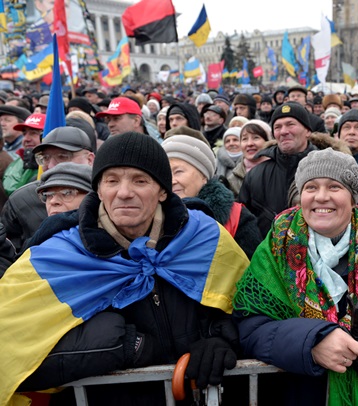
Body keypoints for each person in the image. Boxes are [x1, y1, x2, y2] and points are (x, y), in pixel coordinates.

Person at [1, 132, 249, 405]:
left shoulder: (206, 237)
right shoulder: (56, 254)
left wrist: (222, 340)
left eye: (140, 180)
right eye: (112, 181)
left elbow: (252, 310)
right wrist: (127, 345)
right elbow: (10, 349)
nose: (124, 192)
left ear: (163, 190)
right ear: (99, 189)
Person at [233, 148, 358, 405]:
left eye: (334, 187)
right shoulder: (277, 244)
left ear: (353, 198)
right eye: (310, 187)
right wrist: (312, 342)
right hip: (295, 394)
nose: (321, 197)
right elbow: (250, 328)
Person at [162, 135, 261, 258]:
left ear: (203, 176)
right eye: (166, 173)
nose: (172, 181)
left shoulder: (236, 217)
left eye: (178, 172)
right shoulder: (151, 215)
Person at [1, 127, 95, 253]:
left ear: (90, 159)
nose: (50, 166)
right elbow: (10, 256)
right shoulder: (20, 200)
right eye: (45, 158)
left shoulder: (108, 195)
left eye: (62, 157)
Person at [239, 102, 317, 235]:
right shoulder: (255, 175)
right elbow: (243, 223)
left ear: (308, 131)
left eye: (290, 124)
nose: (283, 131)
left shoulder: (328, 169)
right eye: (277, 127)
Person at [3, 113, 45, 195]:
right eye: (24, 134)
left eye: (33, 133)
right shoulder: (17, 161)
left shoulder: (52, 166)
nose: (26, 139)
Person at [226, 120, 271, 195]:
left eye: (256, 137)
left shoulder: (280, 169)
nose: (249, 143)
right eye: (244, 139)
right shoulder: (233, 179)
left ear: (268, 141)